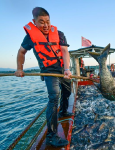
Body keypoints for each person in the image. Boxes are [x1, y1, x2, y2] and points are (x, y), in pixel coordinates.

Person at [14, 7, 73, 147]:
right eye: (41, 22)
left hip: (62, 70)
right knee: (54, 97)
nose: (46, 25)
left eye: (47, 21)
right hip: (48, 72)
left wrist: (67, 69)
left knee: (67, 91)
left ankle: (63, 111)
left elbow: (64, 51)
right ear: (34, 22)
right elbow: (21, 52)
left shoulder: (59, 33)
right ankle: (52, 136)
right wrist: (19, 69)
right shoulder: (30, 37)